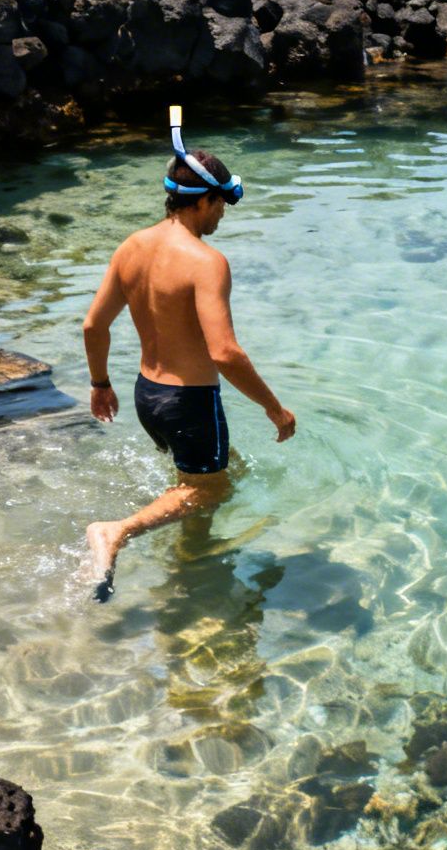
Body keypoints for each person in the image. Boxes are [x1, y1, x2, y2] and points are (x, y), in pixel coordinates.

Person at [80, 140, 295, 600]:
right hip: (189, 402)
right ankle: (116, 531)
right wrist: (275, 409)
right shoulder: (206, 262)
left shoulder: (131, 247)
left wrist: (100, 383)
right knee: (211, 491)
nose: (221, 217)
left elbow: (93, 324)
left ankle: (192, 553)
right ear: (205, 200)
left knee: (206, 476)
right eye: (220, 205)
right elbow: (225, 353)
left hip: (146, 397)